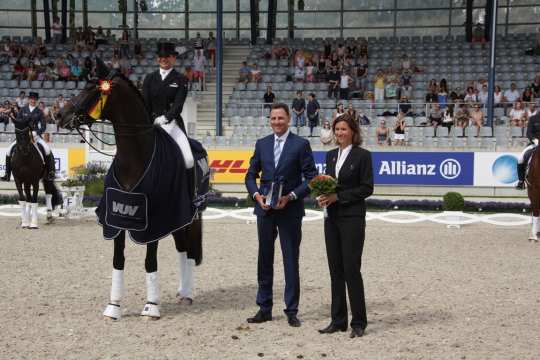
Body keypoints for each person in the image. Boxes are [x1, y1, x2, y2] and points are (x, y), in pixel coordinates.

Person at [245, 103, 317, 328]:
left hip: (290, 210)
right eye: (273, 118)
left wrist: (292, 196)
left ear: (289, 119)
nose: (277, 122)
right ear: (270, 120)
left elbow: (311, 177)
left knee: (290, 259)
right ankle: (264, 307)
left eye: (281, 118)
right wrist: (256, 195)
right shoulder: (262, 144)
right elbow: (250, 175)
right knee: (264, 258)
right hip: (265, 210)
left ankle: (291, 310)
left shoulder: (301, 144)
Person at [142, 42, 196, 303]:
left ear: (174, 58)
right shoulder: (149, 78)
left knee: (187, 158)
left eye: (169, 57)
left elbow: (179, 104)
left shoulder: (180, 79)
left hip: (172, 125)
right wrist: (148, 119)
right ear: (158, 59)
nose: (165, 60)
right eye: (162, 57)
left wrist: (166, 118)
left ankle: (191, 195)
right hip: (151, 125)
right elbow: (142, 102)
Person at [317, 113, 373, 338]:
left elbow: (367, 188)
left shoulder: (363, 156)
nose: (340, 133)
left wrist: (338, 198)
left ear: (353, 132)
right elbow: (329, 185)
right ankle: (338, 320)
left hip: (352, 217)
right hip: (331, 218)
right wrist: (322, 195)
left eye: (344, 129)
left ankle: (358, 321)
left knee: (351, 269)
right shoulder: (330, 156)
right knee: (335, 270)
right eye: (337, 129)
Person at [2, 92, 55, 182]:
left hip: (35, 136)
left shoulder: (39, 112)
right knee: (8, 151)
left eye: (34, 99)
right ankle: (7, 174)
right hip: (23, 136)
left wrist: (36, 133)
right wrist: (12, 117)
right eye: (31, 99)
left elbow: (43, 126)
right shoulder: (23, 110)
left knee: (47, 149)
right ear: (29, 99)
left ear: (37, 100)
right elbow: (18, 122)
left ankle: (51, 172)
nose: (33, 100)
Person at [516, 112, 540, 189]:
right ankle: (521, 181)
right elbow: (528, 133)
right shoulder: (533, 119)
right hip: (534, 144)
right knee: (520, 159)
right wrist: (534, 139)